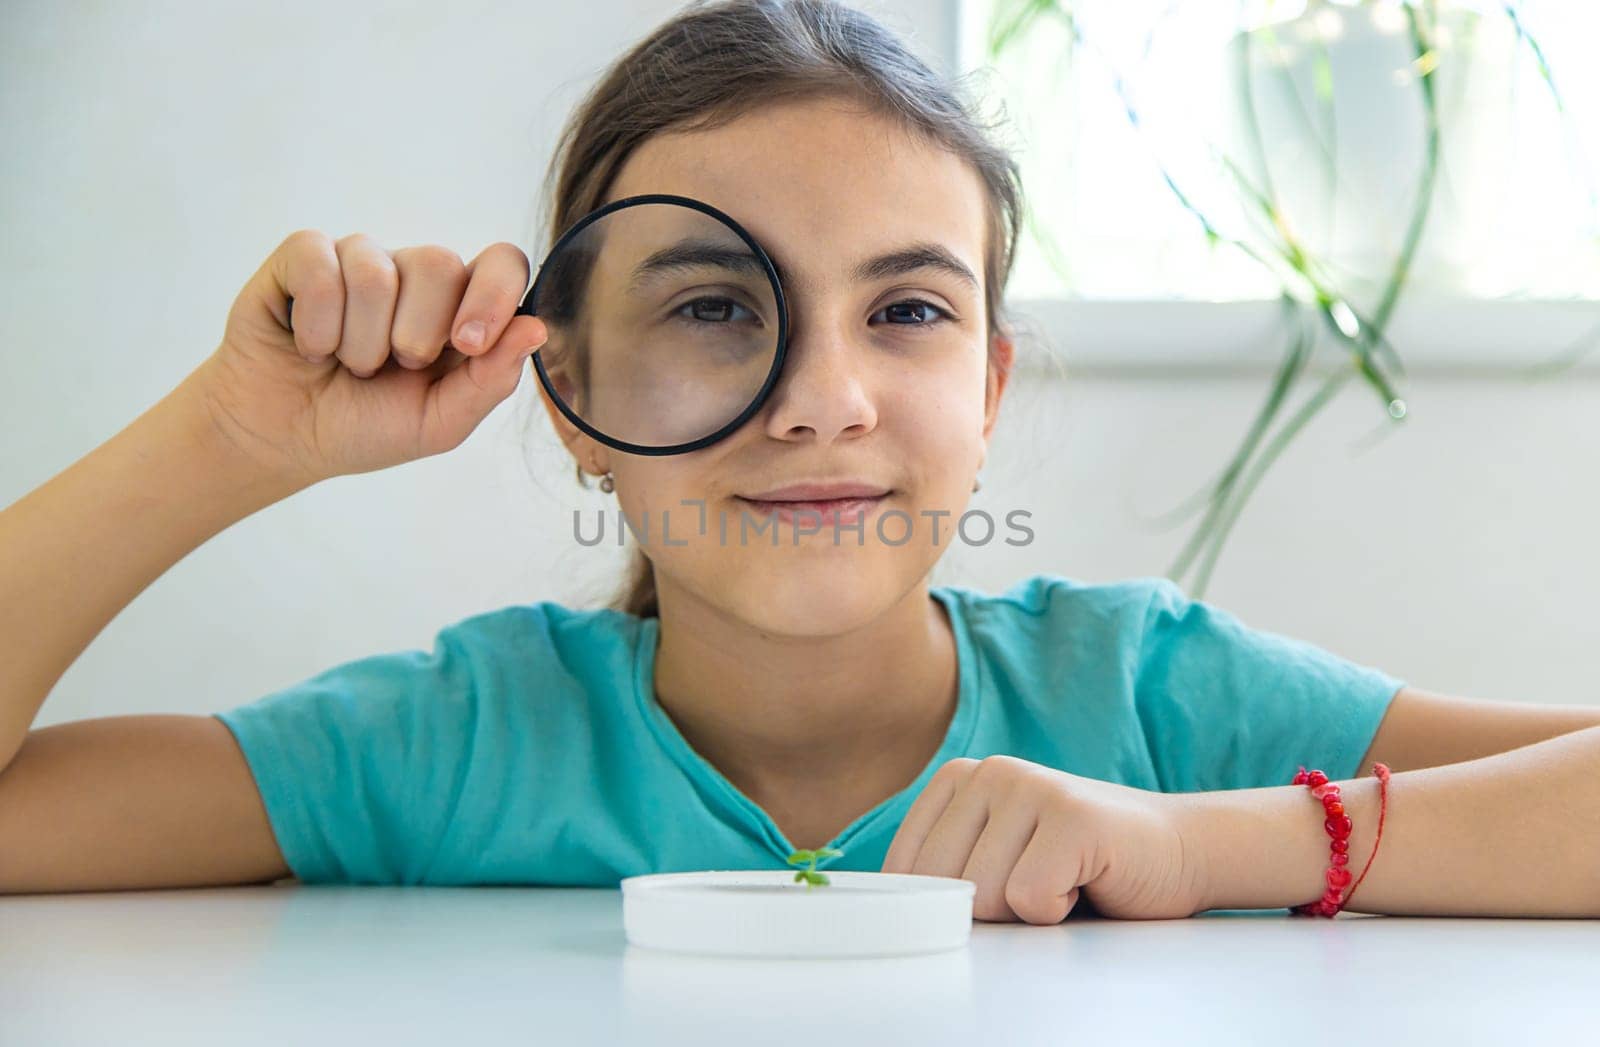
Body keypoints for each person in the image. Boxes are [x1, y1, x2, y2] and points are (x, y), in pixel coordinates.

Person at [3, 0, 1598, 921]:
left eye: (904, 308)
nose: (824, 399)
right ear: (565, 398)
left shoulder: (1150, 699)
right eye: (715, 306)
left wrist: (1200, 837)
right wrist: (230, 434)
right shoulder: (463, 738)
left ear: (987, 388)